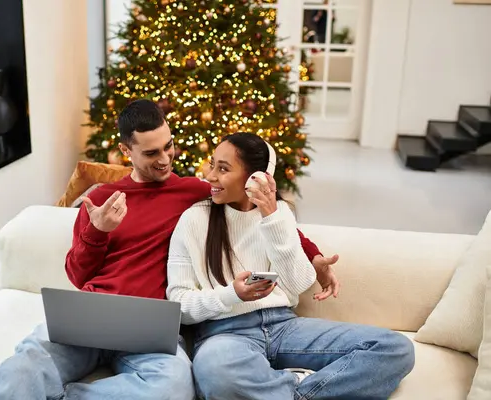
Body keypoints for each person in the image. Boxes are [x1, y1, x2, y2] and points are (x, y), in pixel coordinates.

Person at [0, 100, 337, 400]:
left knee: (173, 387)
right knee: (29, 360)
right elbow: (77, 275)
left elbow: (262, 213)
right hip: (93, 315)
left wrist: (314, 257)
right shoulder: (100, 199)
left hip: (151, 327)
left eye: (169, 147)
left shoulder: (194, 192)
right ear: (126, 151)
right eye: (152, 153)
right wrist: (97, 232)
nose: (165, 159)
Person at [166, 132, 415, 400]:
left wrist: (272, 219)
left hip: (284, 326)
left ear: (256, 178)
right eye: (212, 164)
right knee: (216, 372)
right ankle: (297, 388)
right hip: (224, 335)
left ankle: (288, 393)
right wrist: (232, 294)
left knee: (395, 348)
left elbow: (298, 284)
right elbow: (179, 305)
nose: (210, 175)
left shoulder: (279, 215)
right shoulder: (194, 220)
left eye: (223, 169)